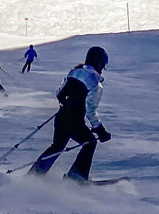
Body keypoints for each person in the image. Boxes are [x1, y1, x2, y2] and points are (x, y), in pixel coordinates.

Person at [31, 46, 111, 181]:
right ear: (99, 63)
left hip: (61, 117)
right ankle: (76, 177)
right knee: (90, 142)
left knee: (57, 146)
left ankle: (34, 175)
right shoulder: (94, 83)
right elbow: (90, 109)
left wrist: (67, 105)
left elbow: (59, 93)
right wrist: (100, 130)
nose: (102, 69)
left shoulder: (73, 72)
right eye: (103, 65)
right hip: (74, 122)